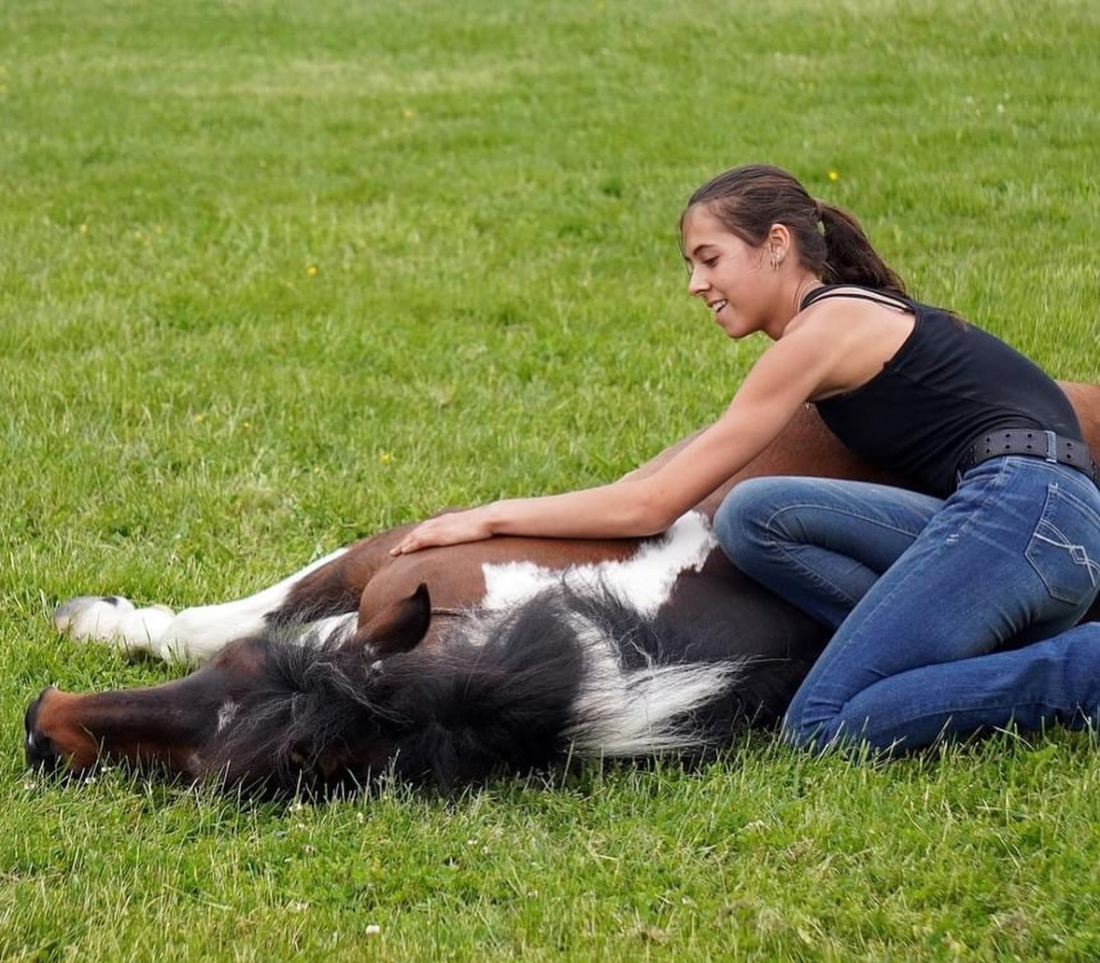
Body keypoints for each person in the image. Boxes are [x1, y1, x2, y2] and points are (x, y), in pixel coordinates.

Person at [392, 163, 1100, 754]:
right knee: (757, 514)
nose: (696, 284)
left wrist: (488, 518)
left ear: (777, 245)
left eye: (709, 259)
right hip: (1041, 532)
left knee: (819, 724)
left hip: (1025, 514)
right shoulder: (857, 319)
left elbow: (652, 504)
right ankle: (940, 646)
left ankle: (1080, 670)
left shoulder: (825, 329)